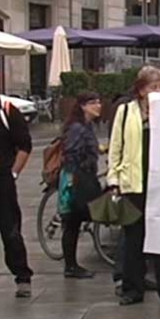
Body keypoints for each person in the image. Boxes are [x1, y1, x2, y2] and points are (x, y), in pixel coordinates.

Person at [109, 66, 160, 306]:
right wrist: (114, 179)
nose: (159, 90)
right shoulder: (126, 111)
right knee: (133, 238)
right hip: (134, 183)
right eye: (153, 87)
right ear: (141, 90)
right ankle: (132, 288)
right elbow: (116, 146)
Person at [0, 71, 34, 298]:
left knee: (9, 228)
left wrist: (14, 173)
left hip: (0, 178)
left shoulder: (7, 111)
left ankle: (22, 276)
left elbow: (25, 145)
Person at [60, 92, 104, 280]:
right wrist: (81, 168)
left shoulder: (87, 126)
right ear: (83, 106)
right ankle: (70, 266)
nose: (98, 105)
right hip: (75, 179)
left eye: (99, 102)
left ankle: (71, 265)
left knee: (75, 220)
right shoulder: (77, 128)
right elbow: (70, 152)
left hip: (82, 175)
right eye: (93, 103)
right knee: (72, 221)